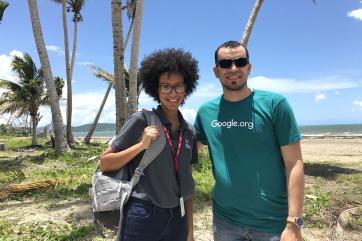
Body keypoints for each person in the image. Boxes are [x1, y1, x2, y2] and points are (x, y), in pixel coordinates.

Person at [194, 40, 305, 241]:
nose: (233, 68)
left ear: (249, 67)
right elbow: (188, 150)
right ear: (216, 71)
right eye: (226, 64)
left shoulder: (275, 105)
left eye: (240, 61)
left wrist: (294, 223)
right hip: (225, 221)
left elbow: (294, 163)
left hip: (272, 222)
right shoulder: (205, 112)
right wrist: (153, 120)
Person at [100, 48, 199, 241]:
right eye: (165, 86)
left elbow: (187, 183)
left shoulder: (189, 131)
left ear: (186, 89)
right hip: (142, 213)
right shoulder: (141, 120)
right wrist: (141, 145)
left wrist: (190, 231)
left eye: (178, 86)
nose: (172, 93)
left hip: (177, 217)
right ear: (156, 89)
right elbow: (105, 163)